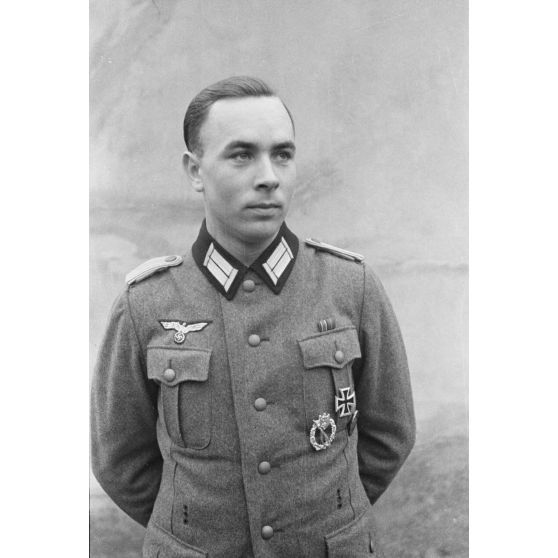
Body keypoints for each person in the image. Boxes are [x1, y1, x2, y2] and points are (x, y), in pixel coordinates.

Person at [91, 76, 415, 558]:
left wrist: (329, 513)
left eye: (282, 154)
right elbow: (118, 457)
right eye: (241, 155)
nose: (269, 176)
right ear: (195, 171)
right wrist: (194, 528)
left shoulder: (351, 285)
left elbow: (391, 434)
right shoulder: (147, 303)